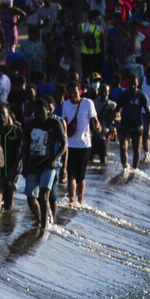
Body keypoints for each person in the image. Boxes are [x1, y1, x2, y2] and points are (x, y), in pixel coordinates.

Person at [20, 96, 69, 229]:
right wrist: (24, 165)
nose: (39, 116)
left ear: (48, 111)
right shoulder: (29, 125)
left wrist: (55, 159)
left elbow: (64, 144)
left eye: (42, 112)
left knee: (44, 195)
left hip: (48, 165)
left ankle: (44, 227)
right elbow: (25, 147)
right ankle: (41, 218)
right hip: (32, 165)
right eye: (36, 113)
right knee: (30, 197)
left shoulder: (55, 124)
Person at [59, 80, 98, 208]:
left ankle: (80, 202)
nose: (72, 95)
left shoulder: (88, 103)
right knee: (71, 174)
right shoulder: (66, 105)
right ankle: (72, 201)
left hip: (84, 145)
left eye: (75, 92)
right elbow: (64, 123)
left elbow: (94, 120)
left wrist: (97, 126)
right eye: (70, 92)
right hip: (70, 145)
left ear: (80, 92)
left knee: (81, 176)